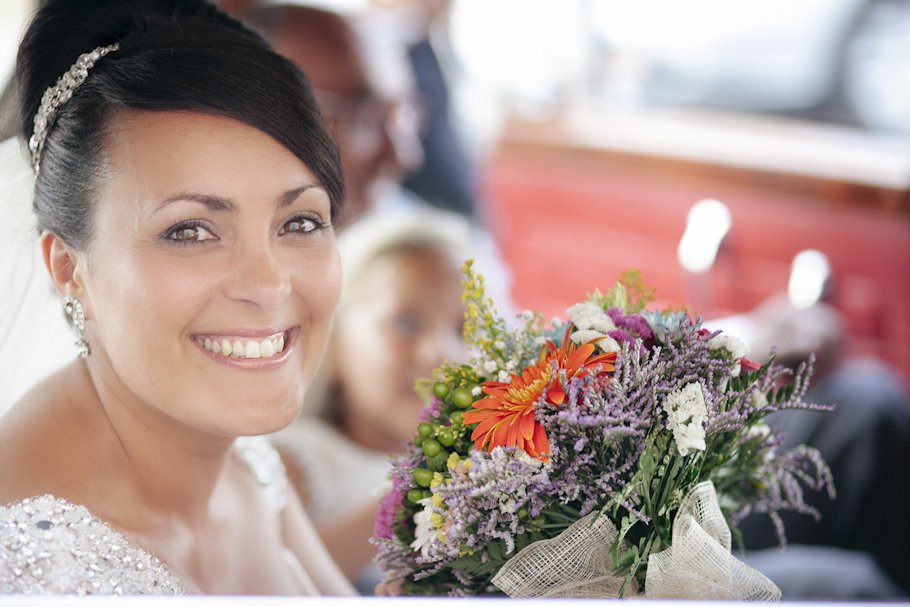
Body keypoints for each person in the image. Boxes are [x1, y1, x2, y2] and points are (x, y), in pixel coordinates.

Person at [0, 0, 355, 595]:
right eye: (190, 231)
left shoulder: (245, 464)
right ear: (68, 269)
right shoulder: (28, 572)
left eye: (299, 222)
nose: (268, 286)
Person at [270, 207, 470, 593]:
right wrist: (413, 495)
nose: (441, 352)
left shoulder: (478, 470)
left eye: (462, 330)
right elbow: (275, 576)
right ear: (333, 343)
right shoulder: (296, 458)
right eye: (407, 323)